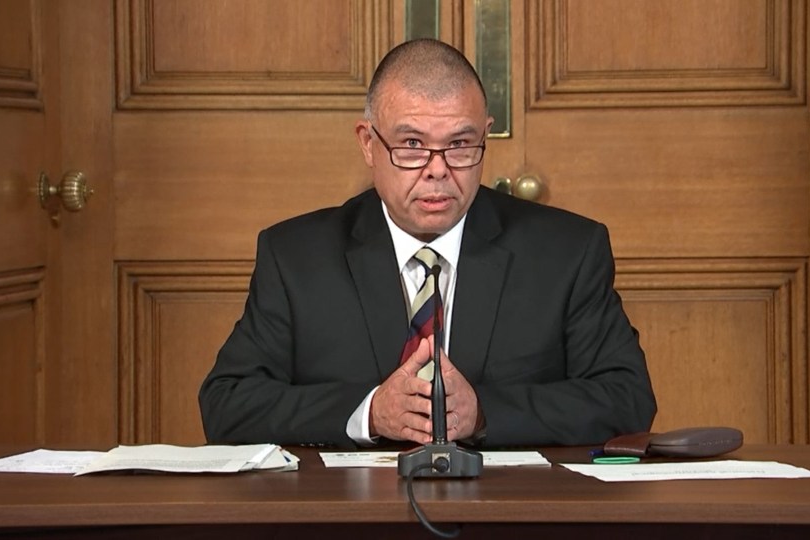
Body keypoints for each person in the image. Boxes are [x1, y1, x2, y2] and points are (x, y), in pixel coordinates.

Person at [199, 38, 656, 449]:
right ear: (367, 143)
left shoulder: (567, 252)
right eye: (412, 144)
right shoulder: (296, 257)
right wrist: (371, 412)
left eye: (460, 144)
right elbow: (228, 404)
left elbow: (627, 397)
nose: (438, 170)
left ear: (485, 136)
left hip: (508, 516)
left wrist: (482, 413)